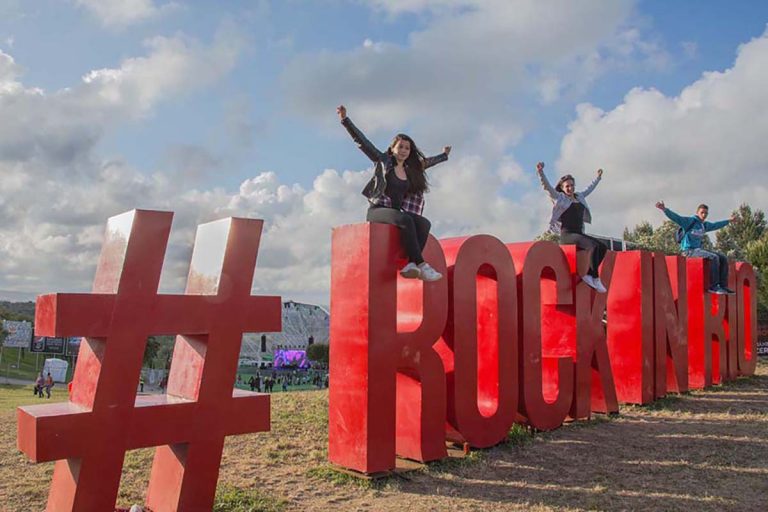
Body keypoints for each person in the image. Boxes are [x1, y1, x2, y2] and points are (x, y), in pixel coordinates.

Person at [337, 104, 451, 282]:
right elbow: (363, 142)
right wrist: (345, 120)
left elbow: (427, 162)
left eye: (407, 148)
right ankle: (421, 264)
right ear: (393, 149)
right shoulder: (383, 161)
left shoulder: (410, 169)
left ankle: (410, 264)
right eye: (401, 147)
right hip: (378, 210)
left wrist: (443, 156)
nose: (404, 151)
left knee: (423, 223)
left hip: (397, 214)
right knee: (406, 219)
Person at [536, 161, 607, 293]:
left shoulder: (579, 196)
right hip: (568, 235)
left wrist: (598, 178)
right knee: (593, 246)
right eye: (567, 186)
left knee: (602, 247)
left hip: (579, 233)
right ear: (562, 188)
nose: (570, 188)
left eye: (572, 185)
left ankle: (590, 275)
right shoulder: (560, 198)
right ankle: (594, 277)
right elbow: (547, 187)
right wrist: (540, 172)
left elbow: (589, 189)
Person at [655, 201, 735, 294]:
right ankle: (713, 286)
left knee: (722, 258)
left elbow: (716, 225)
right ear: (697, 213)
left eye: (706, 213)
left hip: (698, 250)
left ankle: (723, 286)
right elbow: (676, 218)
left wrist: (729, 221)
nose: (704, 215)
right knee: (714, 257)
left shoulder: (704, 225)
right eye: (702, 213)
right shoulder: (690, 222)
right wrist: (664, 209)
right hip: (688, 251)